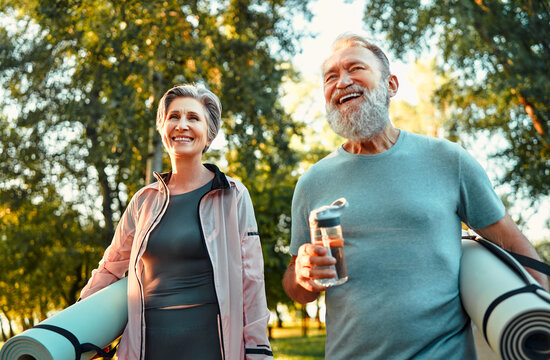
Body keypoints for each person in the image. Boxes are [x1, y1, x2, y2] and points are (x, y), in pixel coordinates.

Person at [283, 33, 548, 359]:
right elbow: (297, 288)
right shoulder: (312, 182)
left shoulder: (449, 159)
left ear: (391, 85)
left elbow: (512, 243)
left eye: (355, 68)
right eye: (331, 76)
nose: (342, 81)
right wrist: (303, 278)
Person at [80, 84, 273, 359]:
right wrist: (75, 323)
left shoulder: (233, 196)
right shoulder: (143, 201)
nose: (182, 125)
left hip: (211, 347)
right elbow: (110, 269)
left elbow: (252, 281)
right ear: (163, 128)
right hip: (148, 347)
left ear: (209, 134)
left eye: (193, 118)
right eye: (174, 117)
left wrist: (258, 352)